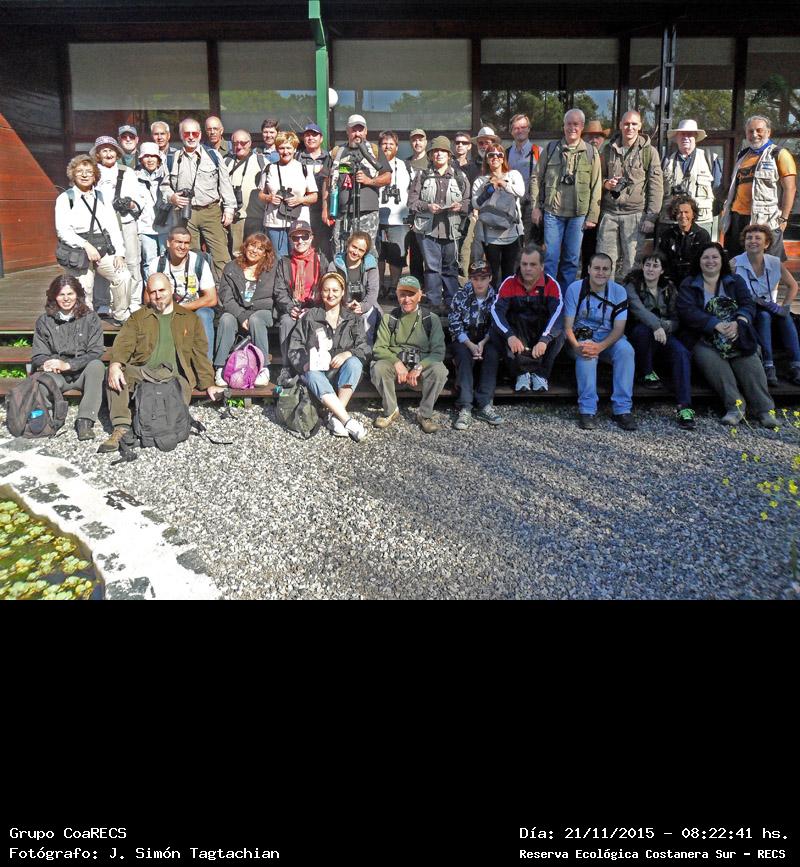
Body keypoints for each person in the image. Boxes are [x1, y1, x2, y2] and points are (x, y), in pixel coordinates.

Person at [99, 272, 225, 453]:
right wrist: (115, 364)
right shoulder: (138, 318)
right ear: (148, 294)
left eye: (162, 290)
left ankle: (164, 427)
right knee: (116, 372)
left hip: (176, 377)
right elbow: (124, 343)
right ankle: (121, 427)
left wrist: (208, 384)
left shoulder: (190, 318)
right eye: (153, 292)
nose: (158, 295)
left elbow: (199, 354)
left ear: (171, 289)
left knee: (169, 404)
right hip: (145, 373)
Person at [677, 242, 782, 427]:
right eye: (705, 257)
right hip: (703, 338)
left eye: (714, 257)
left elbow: (748, 304)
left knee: (749, 361)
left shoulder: (734, 280)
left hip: (735, 333)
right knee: (715, 364)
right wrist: (714, 324)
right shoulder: (689, 283)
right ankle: (735, 408)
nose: (710, 261)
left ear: (722, 260)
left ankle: (765, 410)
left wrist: (739, 321)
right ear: (699, 261)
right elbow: (687, 311)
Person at [288, 272, 368, 442]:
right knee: (311, 373)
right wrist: (305, 363)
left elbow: (364, 348)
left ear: (342, 292)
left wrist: (347, 353)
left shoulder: (353, 319)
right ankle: (346, 420)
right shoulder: (310, 316)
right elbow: (295, 346)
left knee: (355, 363)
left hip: (341, 375)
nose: (330, 294)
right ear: (321, 292)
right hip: (317, 374)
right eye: (326, 290)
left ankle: (335, 416)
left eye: (335, 290)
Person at [563, 251, 637, 430]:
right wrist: (577, 346)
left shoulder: (618, 291)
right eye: (597, 268)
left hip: (608, 338)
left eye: (605, 269)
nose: (601, 273)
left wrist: (600, 346)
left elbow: (619, 328)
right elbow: (567, 327)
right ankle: (587, 410)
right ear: (588, 269)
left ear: (611, 271)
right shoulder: (575, 289)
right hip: (581, 337)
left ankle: (622, 409)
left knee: (626, 351)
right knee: (587, 354)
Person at [530, 108, 602, 291]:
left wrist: (592, 216)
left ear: (582, 126)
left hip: (578, 215)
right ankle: (549, 296)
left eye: (576, 124)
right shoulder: (551, 149)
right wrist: (535, 207)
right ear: (563, 126)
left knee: (571, 260)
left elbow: (596, 186)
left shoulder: (591, 152)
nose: (572, 128)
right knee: (550, 258)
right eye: (569, 124)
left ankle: (565, 298)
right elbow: (536, 177)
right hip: (553, 213)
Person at [623, 251, 696, 429]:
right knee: (642, 330)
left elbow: (676, 319)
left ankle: (685, 406)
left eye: (655, 266)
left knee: (682, 353)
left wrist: (663, 327)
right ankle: (646, 372)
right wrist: (656, 326)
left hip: (664, 334)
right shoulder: (632, 285)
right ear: (642, 267)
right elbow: (638, 310)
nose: (650, 269)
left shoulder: (669, 288)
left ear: (662, 270)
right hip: (640, 335)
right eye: (647, 265)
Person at [160, 117, 237, 284]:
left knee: (221, 255)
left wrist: (229, 209)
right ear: (181, 135)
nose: (191, 137)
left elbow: (225, 184)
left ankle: (225, 292)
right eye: (186, 133)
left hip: (211, 211)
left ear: (200, 135)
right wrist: (172, 197)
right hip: (185, 213)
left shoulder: (213, 155)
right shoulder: (172, 159)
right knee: (190, 255)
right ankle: (195, 291)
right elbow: (164, 186)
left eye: (194, 133)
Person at [54, 154, 130, 321]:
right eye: (80, 171)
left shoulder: (102, 197)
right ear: (73, 174)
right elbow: (63, 231)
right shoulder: (65, 199)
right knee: (84, 289)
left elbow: (113, 227)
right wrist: (85, 245)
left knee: (123, 276)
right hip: (78, 251)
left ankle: (121, 316)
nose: (84, 175)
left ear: (95, 175)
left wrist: (119, 253)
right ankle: (85, 322)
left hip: (102, 247)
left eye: (89, 171)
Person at [30, 275, 106, 441]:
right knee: (43, 382)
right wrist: (47, 363)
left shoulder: (91, 318)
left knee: (97, 366)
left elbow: (96, 351)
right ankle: (48, 420)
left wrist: (69, 365)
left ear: (77, 294)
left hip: (82, 372)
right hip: (57, 374)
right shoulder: (44, 321)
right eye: (61, 294)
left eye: (70, 294)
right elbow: (38, 354)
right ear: (54, 296)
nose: (66, 299)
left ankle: (85, 420)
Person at [370, 276, 448, 433]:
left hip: (420, 369)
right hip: (396, 369)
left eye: (411, 294)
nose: (406, 299)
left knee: (439, 370)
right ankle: (391, 410)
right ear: (397, 295)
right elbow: (379, 348)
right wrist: (396, 362)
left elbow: (438, 352)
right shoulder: (389, 318)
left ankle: (425, 414)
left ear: (420, 295)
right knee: (378, 367)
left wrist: (420, 367)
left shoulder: (431, 319)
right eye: (402, 295)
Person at [596, 110, 663, 279]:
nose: (630, 127)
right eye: (626, 124)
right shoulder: (608, 149)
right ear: (620, 125)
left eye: (634, 124)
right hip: (610, 213)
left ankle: (630, 295)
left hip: (635, 215)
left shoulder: (649, 152)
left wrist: (651, 218)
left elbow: (656, 187)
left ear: (640, 126)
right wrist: (607, 183)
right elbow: (597, 178)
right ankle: (607, 295)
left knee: (632, 265)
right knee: (604, 264)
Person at [490, 243, 565, 393]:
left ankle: (541, 375)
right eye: (524, 264)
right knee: (495, 333)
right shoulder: (509, 282)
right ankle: (520, 374)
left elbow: (558, 314)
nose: (528, 268)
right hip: (518, 332)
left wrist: (545, 339)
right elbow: (496, 312)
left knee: (560, 334)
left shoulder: (551, 284)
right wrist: (510, 336)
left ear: (542, 266)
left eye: (533, 264)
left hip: (540, 332)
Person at [721, 115, 797, 260]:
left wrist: (784, 218)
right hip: (737, 219)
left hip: (765, 220)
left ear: (768, 132)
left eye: (759, 130)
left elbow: (790, 188)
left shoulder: (779, 154)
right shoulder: (742, 155)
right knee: (736, 262)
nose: (754, 134)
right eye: (750, 131)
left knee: (769, 264)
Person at [732, 223, 800, 386]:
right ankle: (768, 365)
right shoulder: (734, 263)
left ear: (767, 243)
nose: (753, 241)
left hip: (769, 305)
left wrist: (785, 306)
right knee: (763, 316)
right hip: (748, 308)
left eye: (758, 238)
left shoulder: (775, 262)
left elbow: (793, 286)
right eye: (749, 238)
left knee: (785, 317)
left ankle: (796, 365)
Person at [407, 135, 470, 312]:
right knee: (432, 268)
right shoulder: (422, 176)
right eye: (435, 151)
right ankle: (434, 303)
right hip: (427, 231)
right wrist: (427, 207)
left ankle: (452, 303)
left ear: (449, 155)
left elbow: (469, 201)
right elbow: (411, 202)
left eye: (443, 151)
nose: (439, 154)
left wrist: (460, 206)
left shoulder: (459, 176)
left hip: (452, 229)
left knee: (450, 268)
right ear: (430, 155)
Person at [321, 114, 391, 255]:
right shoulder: (336, 152)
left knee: (367, 251)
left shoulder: (375, 150)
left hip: (368, 212)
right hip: (342, 212)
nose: (357, 133)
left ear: (366, 131)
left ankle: (367, 271)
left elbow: (387, 177)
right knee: (340, 250)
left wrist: (369, 181)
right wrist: (325, 208)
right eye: (354, 130)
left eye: (360, 130)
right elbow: (327, 181)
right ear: (347, 131)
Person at [214, 233, 276, 387]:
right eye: (252, 245)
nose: (254, 250)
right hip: (238, 311)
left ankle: (264, 368)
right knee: (226, 319)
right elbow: (226, 297)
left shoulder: (272, 269)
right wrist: (241, 316)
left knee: (256, 319)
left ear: (265, 253)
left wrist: (247, 315)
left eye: (260, 248)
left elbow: (274, 297)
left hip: (264, 311)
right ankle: (220, 367)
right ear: (245, 246)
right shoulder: (231, 267)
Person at [147, 225, 217, 360]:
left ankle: (206, 364)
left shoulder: (199, 262)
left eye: (186, 243)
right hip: (165, 308)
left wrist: (181, 308)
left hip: (195, 308)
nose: (183, 247)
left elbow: (212, 298)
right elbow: (148, 298)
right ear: (168, 243)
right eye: (179, 242)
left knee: (205, 315)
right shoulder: (157, 264)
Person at [92, 134, 145, 314]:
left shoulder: (127, 172)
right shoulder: (93, 173)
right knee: (103, 263)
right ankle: (103, 302)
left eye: (111, 150)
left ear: (117, 152)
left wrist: (129, 203)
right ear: (98, 154)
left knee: (132, 261)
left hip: (126, 222)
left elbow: (139, 199)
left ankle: (134, 300)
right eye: (104, 151)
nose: (108, 154)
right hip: (102, 227)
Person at [448, 260, 504, 430]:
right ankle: (465, 406)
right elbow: (454, 323)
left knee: (492, 353)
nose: (479, 283)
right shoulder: (460, 295)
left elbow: (496, 323)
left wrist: (483, 342)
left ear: (490, 278)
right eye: (475, 278)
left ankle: (484, 403)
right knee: (463, 355)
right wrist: (470, 344)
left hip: (486, 338)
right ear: (470, 279)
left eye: (483, 278)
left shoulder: (496, 297)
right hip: (464, 339)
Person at [273, 220, 332, 366]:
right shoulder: (284, 262)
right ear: (290, 240)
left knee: (315, 320)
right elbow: (280, 290)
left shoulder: (320, 260)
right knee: (286, 322)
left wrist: (313, 308)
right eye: (295, 237)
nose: (300, 241)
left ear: (311, 238)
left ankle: (312, 365)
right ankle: (287, 366)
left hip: (315, 306)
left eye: (304, 236)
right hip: (293, 306)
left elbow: (327, 286)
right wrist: (289, 307)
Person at [471, 144, 525, 290]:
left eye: (499, 155)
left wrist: (504, 184)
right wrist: (490, 189)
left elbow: (521, 192)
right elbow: (475, 203)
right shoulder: (480, 180)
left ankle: (509, 299)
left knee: (510, 272)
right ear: (486, 159)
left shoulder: (513, 175)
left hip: (512, 232)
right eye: (491, 155)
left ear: (503, 159)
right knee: (493, 272)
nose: (495, 158)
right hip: (490, 235)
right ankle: (493, 300)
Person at [260, 131, 318, 259]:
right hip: (275, 223)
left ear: (295, 149)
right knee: (279, 259)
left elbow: (314, 196)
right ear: (277, 149)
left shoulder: (304, 169)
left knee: (299, 257)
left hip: (298, 222)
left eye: (288, 148)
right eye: (281, 148)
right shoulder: (269, 168)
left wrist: (300, 199)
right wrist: (269, 198)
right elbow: (261, 194)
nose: (285, 152)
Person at [660, 119, 721, 235]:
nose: (686, 137)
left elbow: (717, 189)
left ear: (695, 137)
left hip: (701, 221)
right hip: (671, 221)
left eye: (689, 134)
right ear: (677, 137)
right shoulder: (666, 160)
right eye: (682, 134)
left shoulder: (710, 159)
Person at [376, 130, 412, 299]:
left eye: (391, 144)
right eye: (384, 143)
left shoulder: (405, 166)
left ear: (397, 147)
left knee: (396, 256)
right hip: (376, 217)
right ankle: (379, 285)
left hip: (398, 218)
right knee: (378, 255)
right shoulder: (373, 164)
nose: (387, 147)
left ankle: (393, 286)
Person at [333, 230, 380, 344]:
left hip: (364, 303)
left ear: (365, 253)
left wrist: (363, 307)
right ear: (348, 244)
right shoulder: (335, 265)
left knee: (370, 313)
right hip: (341, 304)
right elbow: (331, 290)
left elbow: (373, 291)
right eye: (354, 247)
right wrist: (345, 305)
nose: (355, 252)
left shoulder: (371, 266)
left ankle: (366, 347)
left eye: (361, 250)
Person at [224, 129, 266, 256]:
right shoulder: (226, 162)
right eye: (235, 143)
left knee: (256, 251)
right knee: (237, 253)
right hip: (236, 217)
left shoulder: (262, 161)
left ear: (250, 143)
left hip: (256, 217)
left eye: (243, 143)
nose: (239, 146)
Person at [657, 194, 711, 286]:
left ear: (693, 214)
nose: (683, 216)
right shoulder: (667, 235)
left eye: (686, 212)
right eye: (679, 212)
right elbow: (661, 260)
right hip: (671, 282)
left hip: (695, 282)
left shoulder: (702, 235)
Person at [297, 122, 332, 258]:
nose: (311, 138)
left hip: (324, 210)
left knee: (324, 248)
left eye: (314, 135)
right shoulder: (296, 157)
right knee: (304, 245)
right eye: (307, 135)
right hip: (303, 210)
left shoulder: (329, 158)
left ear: (321, 138)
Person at [580, 120, 611, 276]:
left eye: (597, 137)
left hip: (602, 211)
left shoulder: (607, 157)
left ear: (603, 139)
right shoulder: (580, 157)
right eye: (590, 136)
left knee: (597, 251)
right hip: (581, 210)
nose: (594, 140)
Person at [136, 142, 170, 278]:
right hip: (145, 227)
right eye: (146, 156)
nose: (150, 160)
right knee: (148, 263)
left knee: (166, 260)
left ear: (158, 158)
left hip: (166, 226)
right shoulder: (134, 176)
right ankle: (150, 289)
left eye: (153, 156)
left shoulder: (167, 174)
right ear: (141, 159)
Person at [506, 113, 540, 241]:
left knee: (530, 243)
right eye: (516, 128)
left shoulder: (539, 152)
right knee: (512, 243)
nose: (520, 131)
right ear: (511, 131)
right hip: (510, 206)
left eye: (523, 127)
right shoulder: (505, 154)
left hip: (531, 206)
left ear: (529, 129)